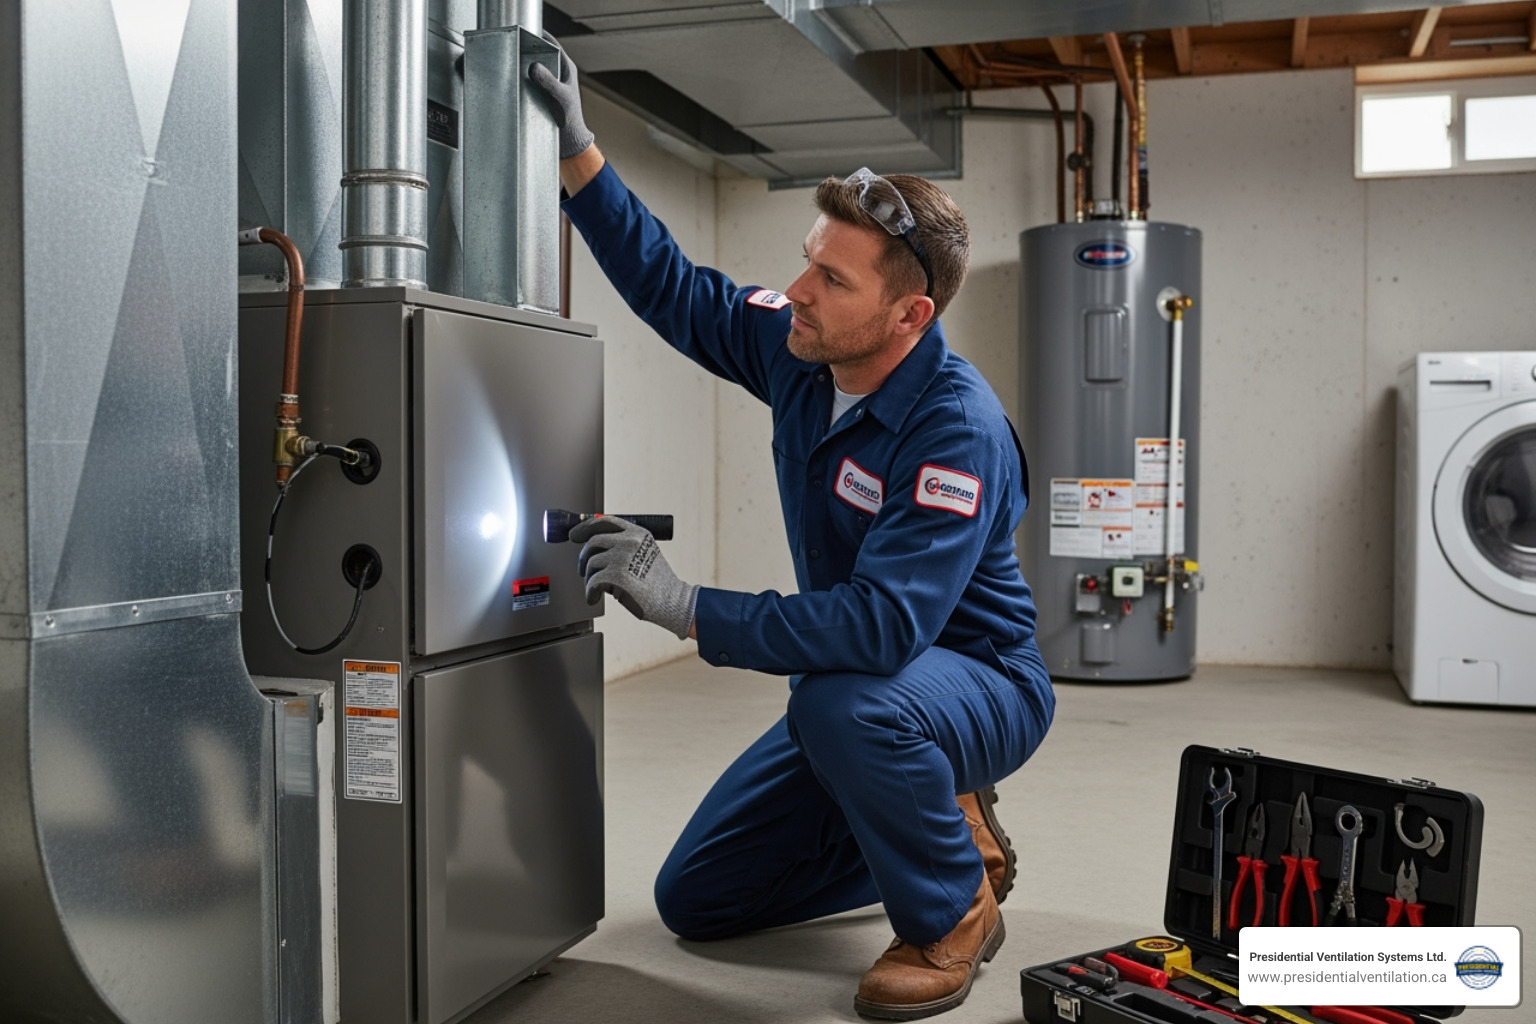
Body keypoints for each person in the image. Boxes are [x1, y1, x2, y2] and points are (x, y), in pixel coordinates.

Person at [531, 43, 1055, 1021]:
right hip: (868, 690)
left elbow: (881, 632)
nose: (801, 291)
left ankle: (952, 909)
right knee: (699, 898)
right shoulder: (804, 350)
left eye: (834, 279)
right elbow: (683, 294)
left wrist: (689, 608)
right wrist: (579, 155)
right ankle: (940, 819)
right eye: (809, 261)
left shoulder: (956, 430)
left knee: (841, 704)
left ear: (909, 314)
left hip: (977, 678)